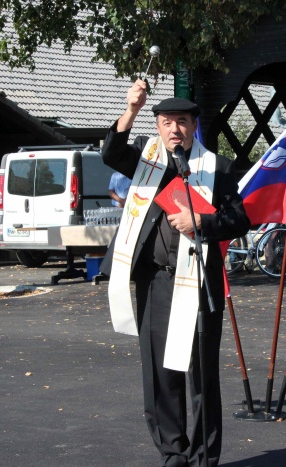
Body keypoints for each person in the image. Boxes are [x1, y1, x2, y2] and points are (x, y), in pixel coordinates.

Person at [99, 79, 250, 467]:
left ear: (193, 126)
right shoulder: (146, 163)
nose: (174, 130)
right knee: (161, 373)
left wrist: (200, 220)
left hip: (200, 283)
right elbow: (111, 153)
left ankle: (203, 457)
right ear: (159, 127)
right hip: (156, 281)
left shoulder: (216, 168)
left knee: (201, 376)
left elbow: (239, 220)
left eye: (181, 122)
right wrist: (130, 109)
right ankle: (173, 453)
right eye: (166, 122)